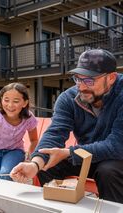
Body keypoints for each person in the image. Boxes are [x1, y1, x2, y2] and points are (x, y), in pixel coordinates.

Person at [10, 49, 123, 203]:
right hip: (86, 155)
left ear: (110, 78)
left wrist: (69, 152)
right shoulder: (68, 98)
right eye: (77, 79)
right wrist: (36, 164)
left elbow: (117, 145)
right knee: (48, 166)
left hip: (117, 157)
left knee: (108, 171)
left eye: (89, 80)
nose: (82, 87)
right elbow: (55, 133)